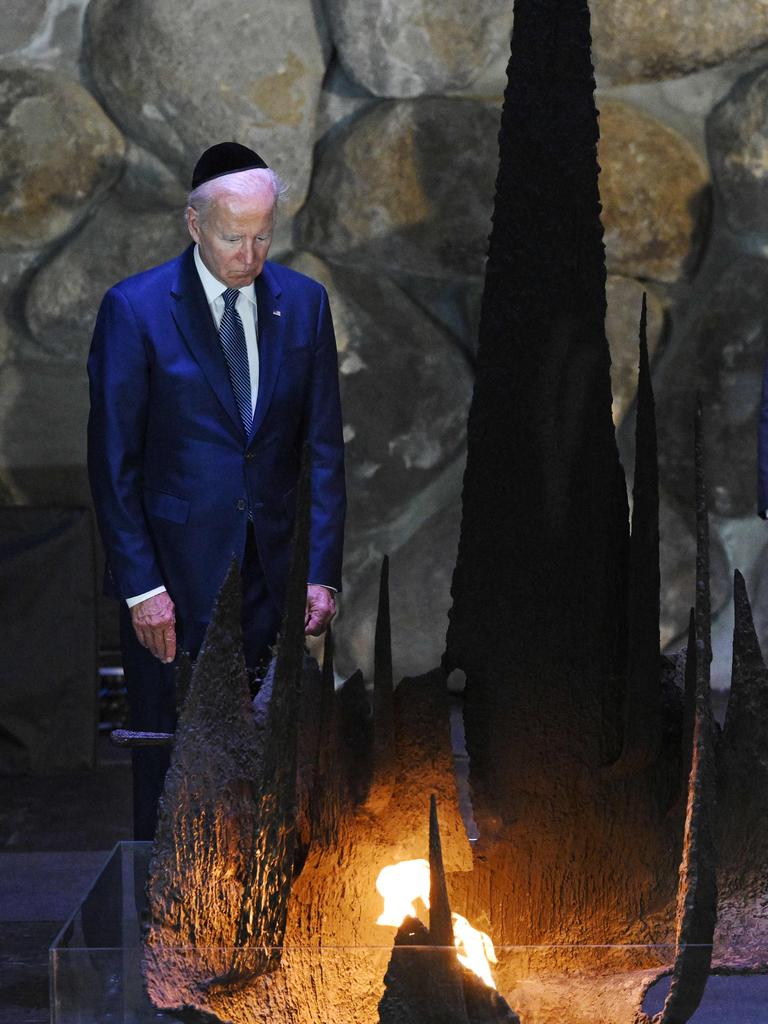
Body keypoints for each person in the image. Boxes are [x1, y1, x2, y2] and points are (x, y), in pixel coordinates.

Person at [87, 142, 346, 839]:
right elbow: (114, 462)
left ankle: (261, 900)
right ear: (194, 224)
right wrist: (142, 588)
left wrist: (321, 573)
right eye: (234, 236)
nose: (250, 252)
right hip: (175, 581)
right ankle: (166, 921)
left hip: (272, 578)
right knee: (172, 762)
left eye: (263, 234)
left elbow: (321, 452)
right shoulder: (135, 310)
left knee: (269, 750)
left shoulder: (304, 304)